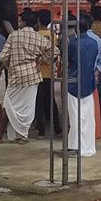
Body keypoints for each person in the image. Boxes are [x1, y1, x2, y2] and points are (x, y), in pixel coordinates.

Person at [0, 10, 57, 144]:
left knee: (8, 105)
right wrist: (40, 60)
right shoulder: (38, 37)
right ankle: (22, 136)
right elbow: (55, 51)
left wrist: (9, 66)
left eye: (20, 21)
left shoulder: (13, 36)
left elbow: (2, 56)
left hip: (15, 77)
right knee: (27, 107)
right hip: (32, 76)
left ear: (24, 22)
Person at [67, 14, 98, 157]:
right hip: (89, 83)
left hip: (74, 83)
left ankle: (75, 146)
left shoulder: (73, 43)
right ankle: (88, 147)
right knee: (88, 117)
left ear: (76, 28)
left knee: (75, 117)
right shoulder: (94, 43)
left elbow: (68, 61)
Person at [35, 9, 61, 137]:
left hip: (38, 72)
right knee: (51, 101)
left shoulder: (35, 36)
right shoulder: (53, 36)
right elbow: (55, 54)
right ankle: (57, 128)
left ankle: (41, 130)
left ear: (38, 21)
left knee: (38, 102)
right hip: (50, 72)